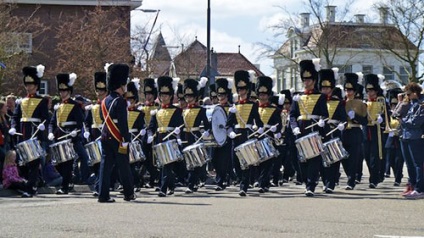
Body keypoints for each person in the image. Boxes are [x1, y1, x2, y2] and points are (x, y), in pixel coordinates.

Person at [289, 59, 329, 197]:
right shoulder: (297, 97)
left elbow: (324, 114)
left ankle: (311, 185)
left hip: (314, 129)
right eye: (304, 78)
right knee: (301, 159)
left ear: (314, 79)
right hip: (300, 129)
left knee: (314, 159)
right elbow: (293, 115)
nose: (306, 81)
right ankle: (307, 181)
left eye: (309, 78)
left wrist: (322, 121)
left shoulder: (321, 96)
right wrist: (294, 127)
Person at [98, 63, 136, 203]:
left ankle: (103, 194)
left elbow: (103, 119)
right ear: (121, 84)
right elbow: (122, 122)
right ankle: (128, 194)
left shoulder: (105, 101)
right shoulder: (119, 101)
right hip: (118, 137)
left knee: (105, 166)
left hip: (105, 135)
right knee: (124, 166)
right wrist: (126, 138)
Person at [9, 64, 49, 196]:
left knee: (34, 162)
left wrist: (42, 125)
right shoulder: (21, 101)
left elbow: (45, 118)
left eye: (31, 84)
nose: (28, 87)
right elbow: (15, 116)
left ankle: (31, 188)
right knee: (22, 162)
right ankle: (33, 183)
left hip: (35, 133)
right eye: (27, 84)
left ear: (36, 86)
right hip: (22, 133)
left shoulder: (42, 101)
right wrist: (13, 127)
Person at [48, 73, 90, 194]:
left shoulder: (75, 105)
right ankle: (69, 179)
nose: (62, 93)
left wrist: (74, 131)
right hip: (59, 137)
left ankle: (65, 187)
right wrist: (50, 132)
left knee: (70, 161)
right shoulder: (58, 107)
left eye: (64, 90)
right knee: (58, 163)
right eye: (60, 90)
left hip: (72, 137)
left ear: (69, 91)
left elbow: (81, 121)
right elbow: (52, 123)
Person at [227, 70, 263, 196]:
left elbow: (258, 121)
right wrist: (230, 132)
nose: (241, 91)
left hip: (247, 135)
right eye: (239, 89)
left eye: (243, 89)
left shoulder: (253, 105)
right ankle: (241, 179)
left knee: (246, 162)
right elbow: (228, 124)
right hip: (236, 135)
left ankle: (244, 186)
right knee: (235, 162)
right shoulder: (234, 106)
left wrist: (259, 128)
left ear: (247, 90)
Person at [147, 76, 184, 197]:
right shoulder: (156, 111)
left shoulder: (177, 111)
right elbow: (151, 127)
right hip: (159, 139)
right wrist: (149, 135)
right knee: (163, 164)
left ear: (171, 96)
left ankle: (162, 188)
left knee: (167, 165)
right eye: (162, 95)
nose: (164, 97)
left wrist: (178, 133)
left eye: (166, 95)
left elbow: (181, 125)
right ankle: (171, 185)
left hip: (171, 139)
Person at [318, 68, 347, 193]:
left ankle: (331, 183)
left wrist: (342, 125)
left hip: (334, 132)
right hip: (320, 132)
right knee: (322, 159)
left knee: (334, 159)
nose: (325, 90)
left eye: (327, 88)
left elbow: (344, 119)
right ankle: (325, 181)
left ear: (331, 89)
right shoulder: (317, 101)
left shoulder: (339, 102)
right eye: (323, 88)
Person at [181, 77, 210, 194]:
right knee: (187, 161)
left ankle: (192, 184)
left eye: (190, 96)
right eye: (186, 96)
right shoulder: (183, 110)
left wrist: (206, 131)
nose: (188, 99)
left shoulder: (201, 110)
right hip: (185, 136)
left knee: (195, 161)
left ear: (196, 97)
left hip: (196, 136)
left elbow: (207, 124)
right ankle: (193, 181)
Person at [254, 76, 282, 193]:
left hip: (268, 137)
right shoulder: (253, 108)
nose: (262, 97)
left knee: (267, 162)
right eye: (260, 94)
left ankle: (263, 183)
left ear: (268, 95)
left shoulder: (274, 109)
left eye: (265, 95)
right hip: (256, 137)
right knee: (257, 162)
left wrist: (277, 131)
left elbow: (279, 124)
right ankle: (260, 181)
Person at [342, 73, 368, 190]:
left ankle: (351, 181)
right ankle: (349, 176)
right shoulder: (341, 103)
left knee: (353, 159)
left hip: (355, 131)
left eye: (351, 90)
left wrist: (355, 117)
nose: (349, 92)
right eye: (347, 89)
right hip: (343, 132)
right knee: (344, 158)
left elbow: (365, 121)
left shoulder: (360, 104)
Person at [85, 71, 108, 196]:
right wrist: (87, 132)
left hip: (104, 136)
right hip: (94, 136)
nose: (99, 94)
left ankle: (99, 187)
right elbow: (87, 122)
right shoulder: (92, 107)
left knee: (102, 164)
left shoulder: (108, 106)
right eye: (98, 91)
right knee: (95, 163)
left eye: (102, 91)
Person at [363, 74, 387, 189]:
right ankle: (374, 175)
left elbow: (388, 115)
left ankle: (373, 179)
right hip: (366, 131)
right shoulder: (364, 103)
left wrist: (381, 119)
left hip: (376, 131)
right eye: (368, 90)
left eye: (371, 90)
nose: (369, 92)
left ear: (376, 90)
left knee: (374, 157)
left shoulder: (382, 101)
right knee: (367, 156)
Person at [400, 82, 424, 199]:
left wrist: (403, 120)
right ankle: (413, 186)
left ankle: (420, 188)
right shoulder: (413, 103)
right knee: (410, 164)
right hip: (407, 135)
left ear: (415, 93)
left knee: (418, 164)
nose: (407, 96)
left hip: (416, 136)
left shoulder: (421, 104)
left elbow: (416, 122)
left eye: (408, 94)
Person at [211, 78, 233, 191]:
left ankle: (221, 181)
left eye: (223, 94)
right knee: (214, 159)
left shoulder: (232, 108)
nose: (221, 97)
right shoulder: (214, 108)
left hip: (228, 137)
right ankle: (222, 178)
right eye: (219, 95)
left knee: (225, 160)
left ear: (228, 95)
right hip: (216, 138)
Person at [125, 78, 146, 191]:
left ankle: (137, 182)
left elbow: (142, 126)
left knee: (133, 164)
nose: (129, 101)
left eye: (132, 99)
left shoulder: (139, 113)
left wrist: (142, 131)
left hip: (135, 138)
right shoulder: (123, 112)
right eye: (127, 99)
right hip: (124, 138)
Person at [139, 78, 160, 189]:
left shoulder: (157, 107)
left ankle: (153, 180)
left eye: (150, 94)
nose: (148, 96)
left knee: (153, 159)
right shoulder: (142, 107)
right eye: (146, 94)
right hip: (144, 135)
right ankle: (145, 178)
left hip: (154, 135)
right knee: (144, 158)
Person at [0, 100, 12, 182]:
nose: (7, 107)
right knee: (2, 160)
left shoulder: (6, 117)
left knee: (7, 160)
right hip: (1, 143)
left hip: (7, 142)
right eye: (5, 106)